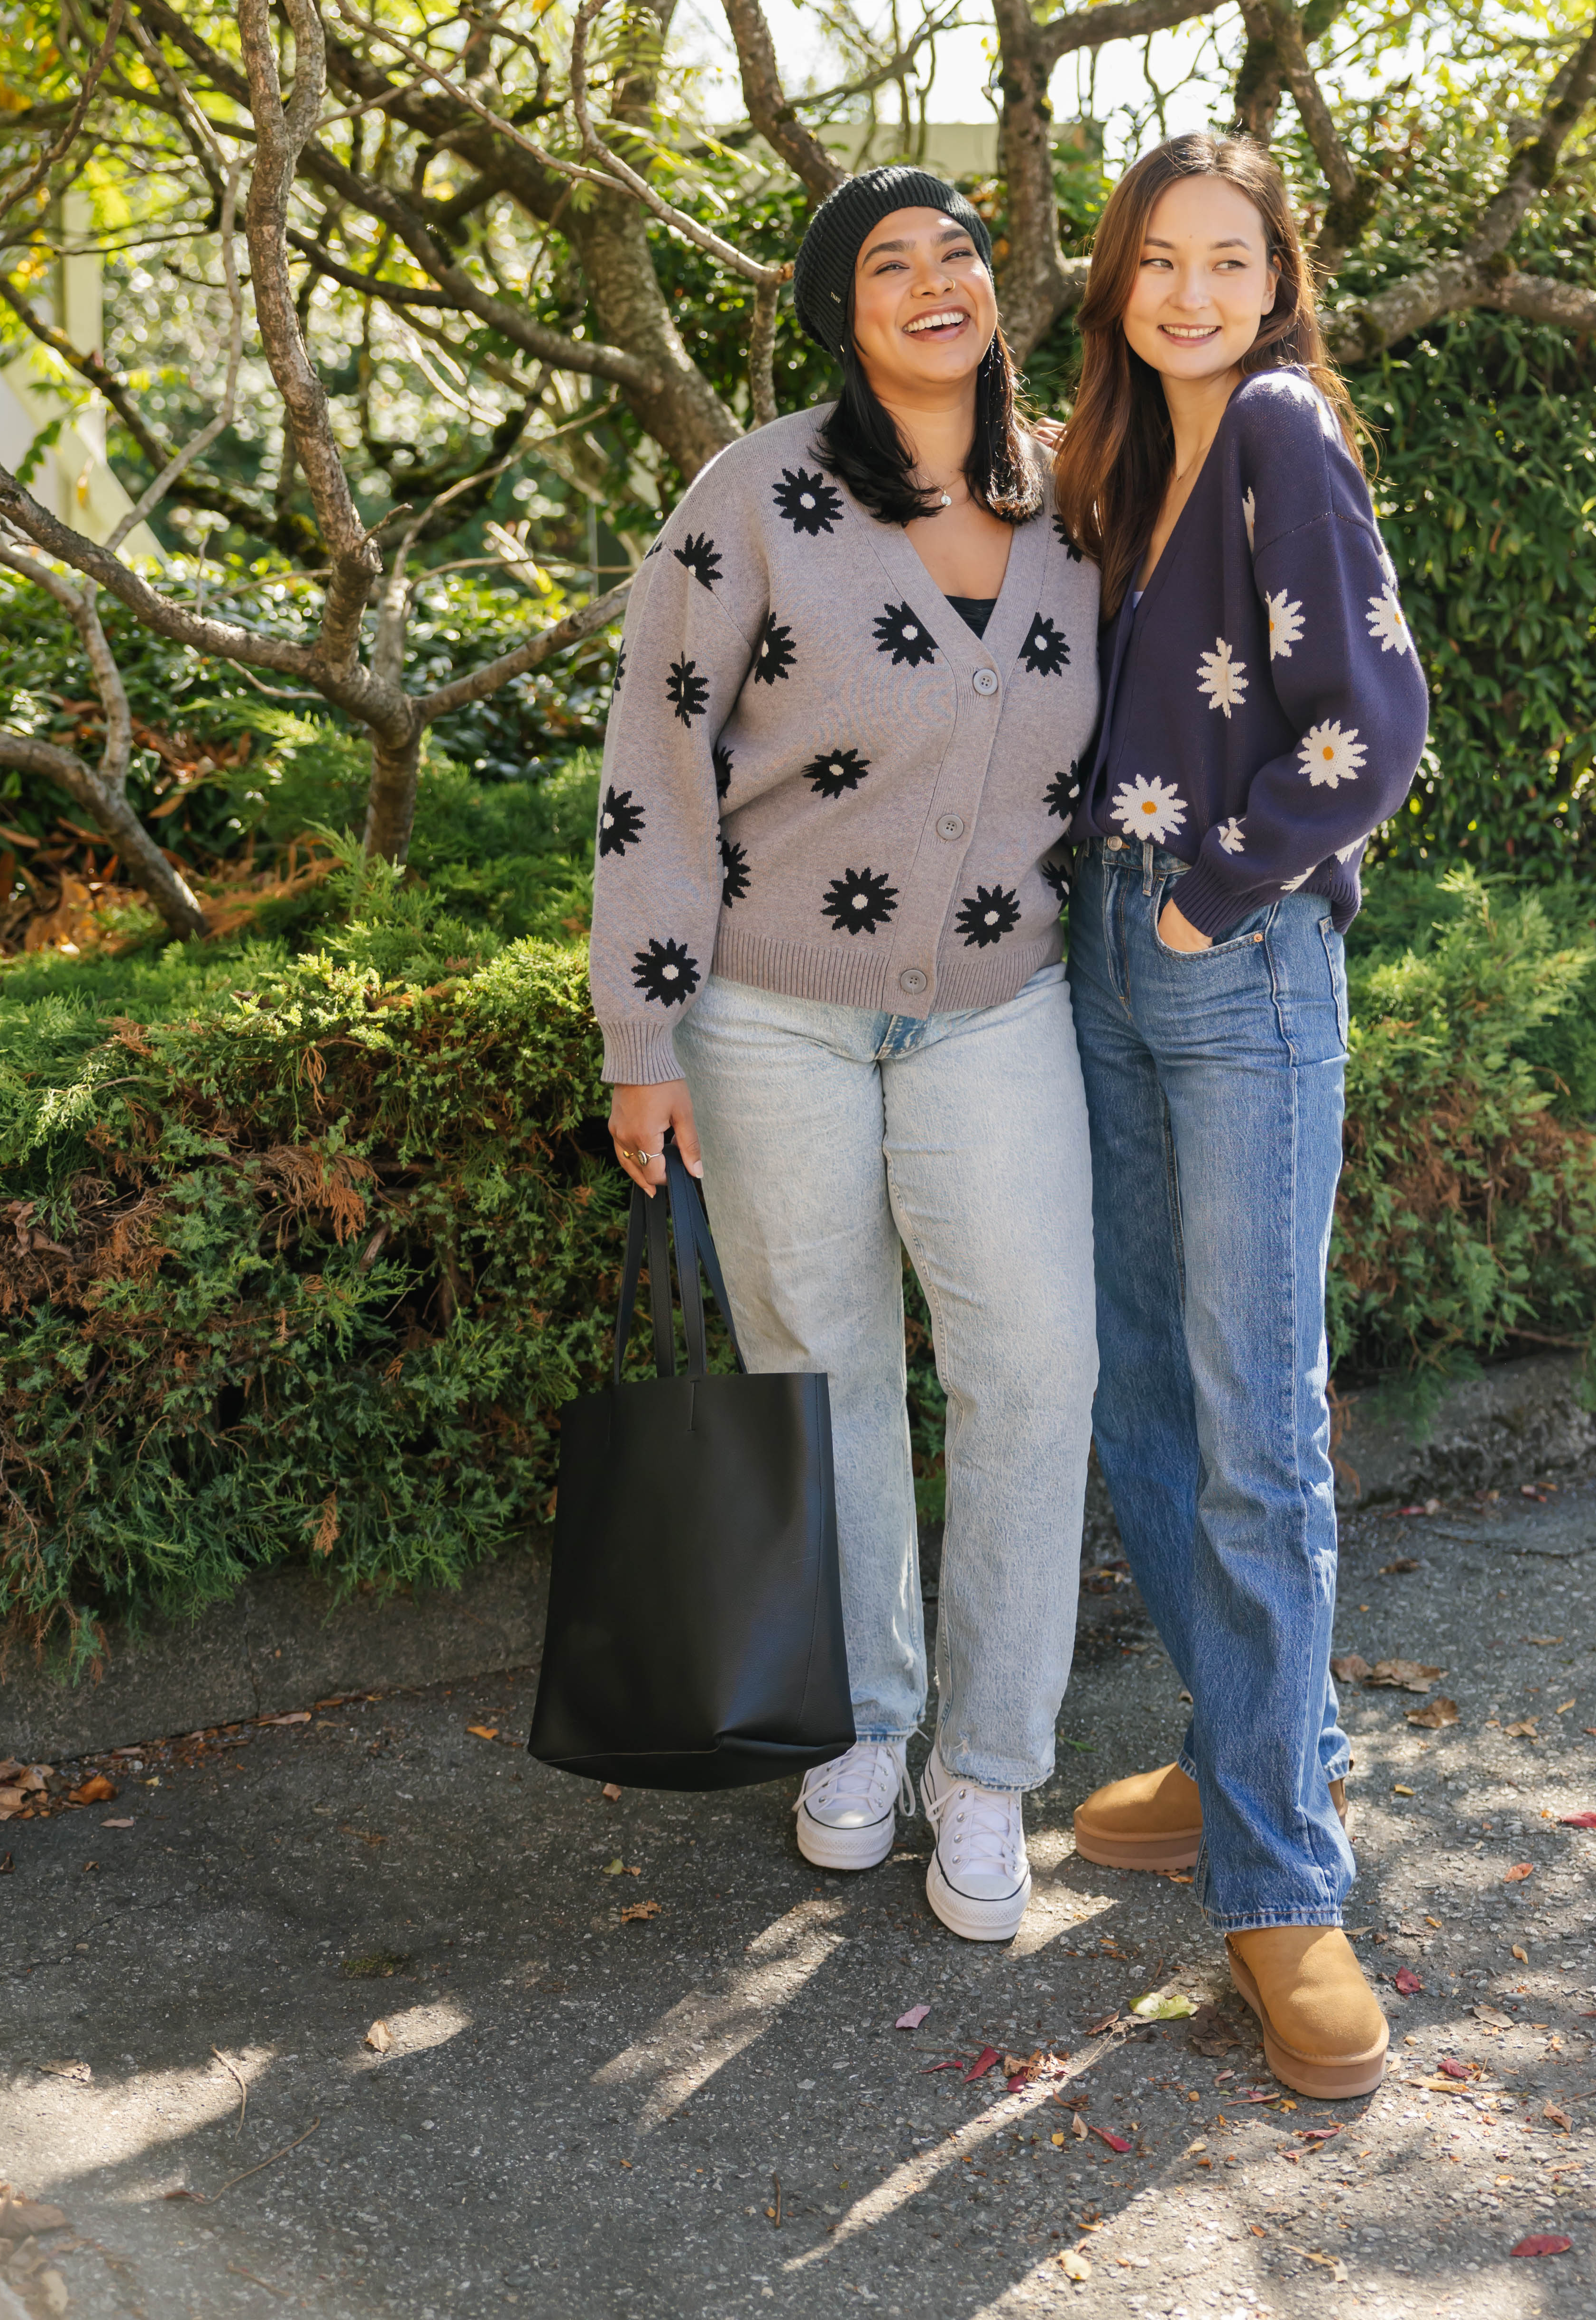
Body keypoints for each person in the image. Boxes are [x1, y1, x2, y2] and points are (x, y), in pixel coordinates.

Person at [589, 167, 1101, 1943]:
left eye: (957, 250)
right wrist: (639, 1029)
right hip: (769, 1011)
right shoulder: (759, 496)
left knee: (1034, 1365)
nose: (934, 280)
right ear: (840, 313)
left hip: (998, 1007)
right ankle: (866, 1732)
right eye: (889, 264)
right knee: (825, 1370)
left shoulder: (1077, 506)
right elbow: (653, 754)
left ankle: (991, 1769)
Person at [1052, 132, 1429, 2097]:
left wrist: (1213, 892)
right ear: (1114, 279)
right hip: (1104, 958)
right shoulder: (1117, 458)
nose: (1190, 292)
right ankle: (1227, 1758)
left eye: (1230, 258)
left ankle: (1287, 1877)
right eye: (1156, 260)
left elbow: (1376, 725)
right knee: (1144, 1392)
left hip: (1231, 957)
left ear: (1281, 277)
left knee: (1254, 1425)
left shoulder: (1277, 427)